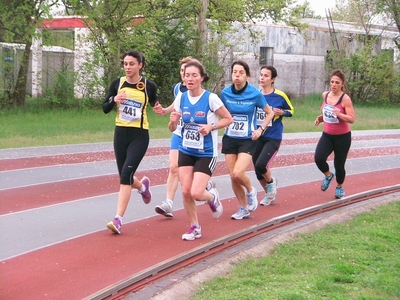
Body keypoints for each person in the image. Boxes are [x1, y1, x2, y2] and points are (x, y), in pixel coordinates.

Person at [169, 59, 233, 240]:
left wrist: (211, 126)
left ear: (202, 78)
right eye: (187, 75)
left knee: (197, 193)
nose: (190, 79)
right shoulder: (181, 98)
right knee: (185, 191)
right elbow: (173, 129)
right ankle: (195, 227)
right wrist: (173, 121)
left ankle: (212, 196)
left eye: (194, 75)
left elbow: (228, 119)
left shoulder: (210, 98)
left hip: (206, 153)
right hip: (186, 150)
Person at [103, 50, 159, 234]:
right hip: (120, 134)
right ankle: (142, 187)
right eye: (125, 64)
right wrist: (114, 99)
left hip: (139, 135)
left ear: (140, 65)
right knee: (124, 176)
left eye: (131, 64)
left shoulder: (148, 86)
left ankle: (118, 219)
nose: (128, 67)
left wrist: (168, 113)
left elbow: (157, 106)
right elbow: (105, 107)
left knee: (126, 175)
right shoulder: (117, 83)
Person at [220, 60, 274, 220]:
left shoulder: (255, 94)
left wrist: (260, 129)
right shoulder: (225, 93)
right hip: (230, 138)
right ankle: (243, 208)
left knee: (238, 172)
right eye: (234, 72)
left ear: (247, 76)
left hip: (247, 139)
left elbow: (270, 113)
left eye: (241, 72)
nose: (237, 75)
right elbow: (221, 112)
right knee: (232, 176)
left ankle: (251, 190)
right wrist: (223, 122)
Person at [153, 56, 193, 218]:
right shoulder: (177, 88)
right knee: (173, 167)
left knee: (191, 173)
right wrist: (165, 111)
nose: (184, 74)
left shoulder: (198, 90)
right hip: (179, 132)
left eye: (187, 71)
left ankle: (206, 186)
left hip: (193, 134)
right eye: (182, 71)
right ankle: (168, 203)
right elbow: (176, 104)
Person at [253, 66, 294, 206]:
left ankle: (271, 183)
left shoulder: (280, 96)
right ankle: (269, 194)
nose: (262, 78)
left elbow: (291, 110)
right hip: (258, 136)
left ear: (272, 79)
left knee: (261, 164)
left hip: (273, 137)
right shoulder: (256, 95)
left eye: (266, 76)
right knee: (257, 170)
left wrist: (282, 112)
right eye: (261, 75)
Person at [314, 69, 355, 199]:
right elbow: (326, 111)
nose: (334, 84)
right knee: (319, 158)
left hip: (342, 137)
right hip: (327, 135)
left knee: (339, 164)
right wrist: (321, 117)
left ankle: (339, 187)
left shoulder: (345, 99)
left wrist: (340, 114)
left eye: (337, 82)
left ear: (342, 84)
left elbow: (352, 119)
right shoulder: (325, 95)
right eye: (332, 82)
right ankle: (328, 175)